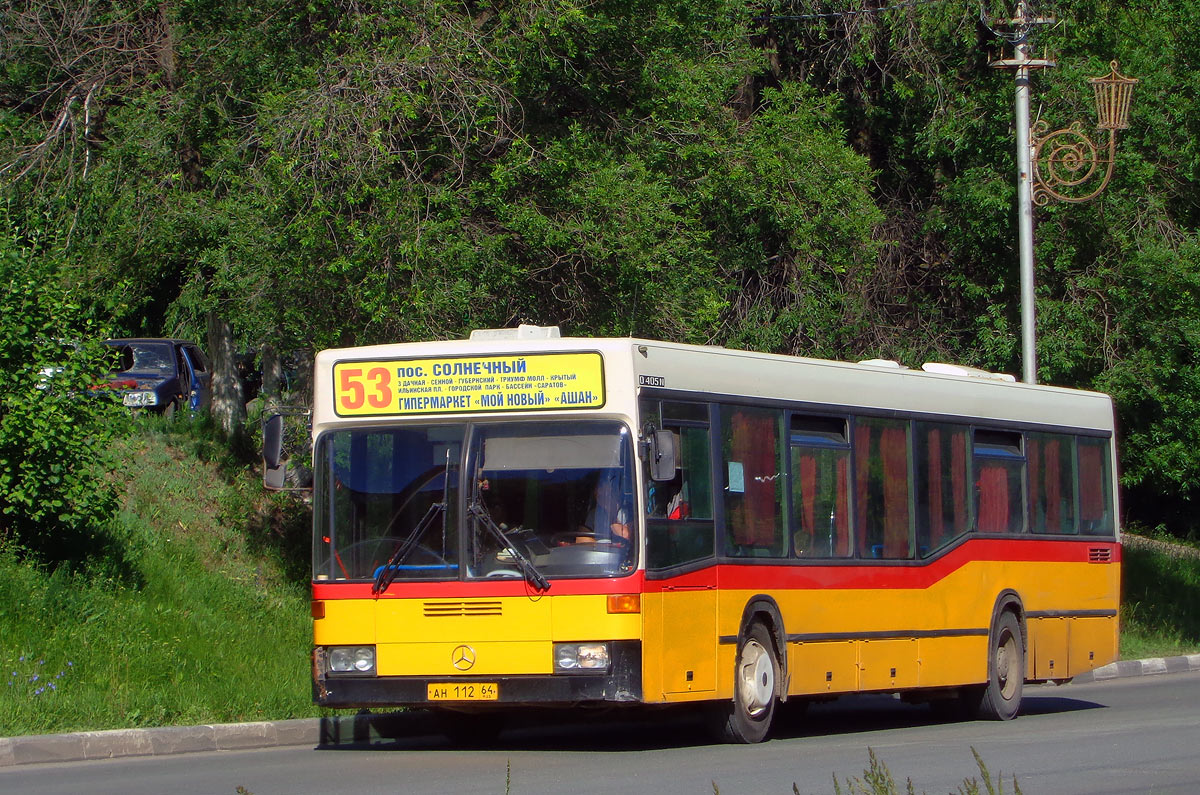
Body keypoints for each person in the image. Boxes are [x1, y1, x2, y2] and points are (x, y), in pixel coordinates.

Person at [576, 472, 632, 544]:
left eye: (602, 485)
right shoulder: (594, 514)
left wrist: (616, 526)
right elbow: (581, 539)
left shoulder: (629, 510)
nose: (598, 492)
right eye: (597, 488)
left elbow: (629, 537)